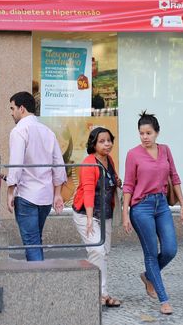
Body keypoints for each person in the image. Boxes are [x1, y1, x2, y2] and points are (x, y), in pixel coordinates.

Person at [122, 111, 183, 316]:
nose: (145, 137)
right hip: (141, 207)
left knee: (170, 249)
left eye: (148, 133)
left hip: (162, 205)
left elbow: (174, 178)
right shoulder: (133, 154)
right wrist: (125, 214)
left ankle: (148, 276)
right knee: (151, 253)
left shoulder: (165, 150)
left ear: (157, 132)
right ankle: (163, 299)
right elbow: (128, 185)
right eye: (141, 133)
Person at [6, 91, 67, 261]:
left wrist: (10, 191)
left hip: (26, 195)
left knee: (32, 243)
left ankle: (38, 280)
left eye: (12, 108)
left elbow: (16, 166)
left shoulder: (19, 131)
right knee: (36, 240)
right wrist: (57, 193)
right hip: (45, 196)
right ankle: (39, 277)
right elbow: (58, 165)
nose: (11, 112)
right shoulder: (47, 131)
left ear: (22, 108)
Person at [72, 127, 121, 307]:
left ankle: (103, 292)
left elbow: (112, 180)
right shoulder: (89, 163)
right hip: (87, 214)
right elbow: (88, 192)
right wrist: (90, 220)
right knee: (97, 251)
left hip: (105, 212)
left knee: (104, 253)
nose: (107, 144)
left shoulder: (109, 160)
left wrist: (117, 181)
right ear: (93, 144)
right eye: (102, 141)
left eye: (109, 140)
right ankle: (97, 293)